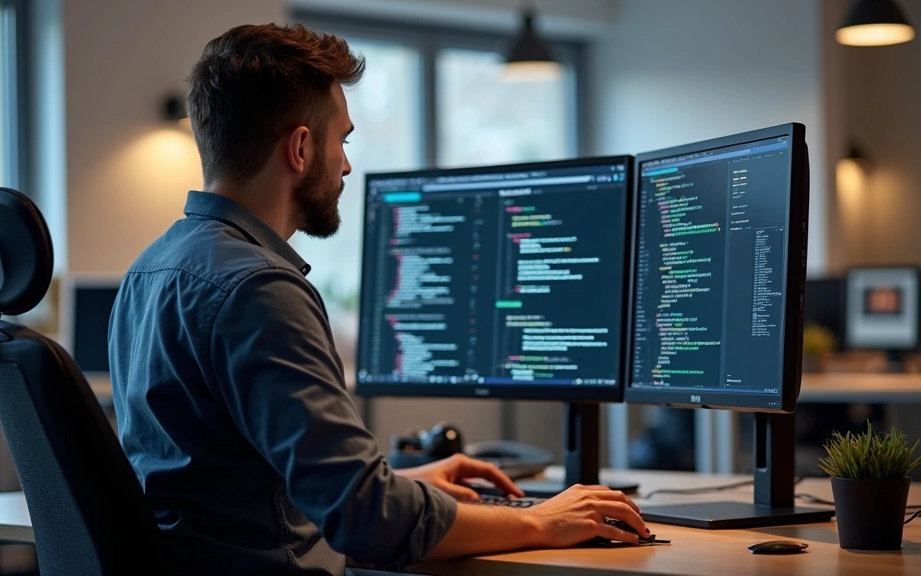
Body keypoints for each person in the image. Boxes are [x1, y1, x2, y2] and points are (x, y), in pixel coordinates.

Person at [108, 22, 649, 576]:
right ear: (299, 147)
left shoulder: (149, 270)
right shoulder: (259, 288)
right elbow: (369, 521)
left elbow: (229, 483)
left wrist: (396, 482)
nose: (345, 164)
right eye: (341, 140)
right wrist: (544, 520)